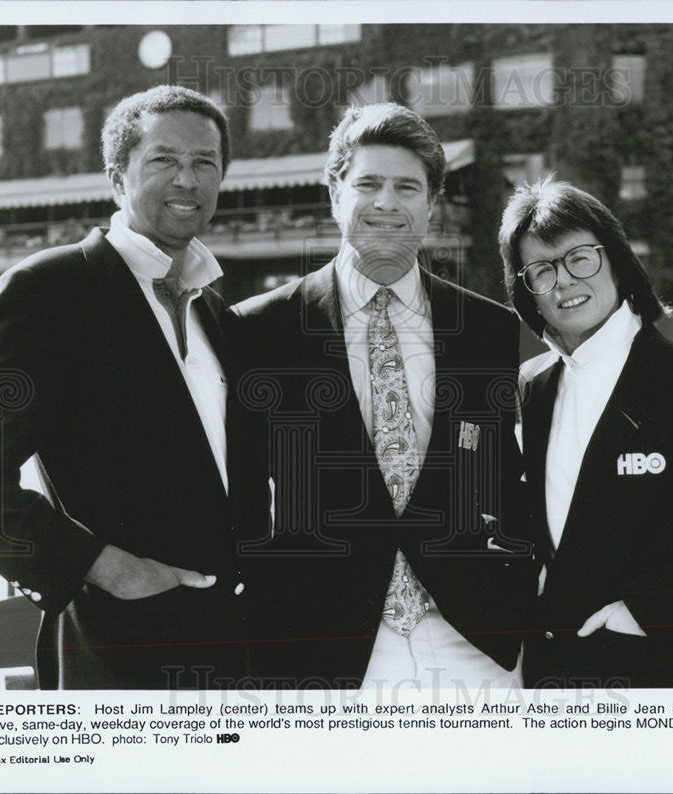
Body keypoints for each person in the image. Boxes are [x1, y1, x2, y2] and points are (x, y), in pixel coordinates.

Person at [0, 85, 266, 689]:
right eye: (164, 160)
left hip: (233, 649)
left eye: (204, 163)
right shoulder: (49, 289)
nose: (187, 180)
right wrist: (109, 570)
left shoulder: (214, 309)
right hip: (118, 649)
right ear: (117, 178)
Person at [229, 103, 537, 689]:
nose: (387, 203)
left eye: (407, 187)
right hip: (323, 649)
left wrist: (517, 587)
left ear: (431, 202)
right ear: (334, 193)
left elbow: (503, 476)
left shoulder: (487, 328)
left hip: (474, 642)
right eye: (368, 183)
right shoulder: (259, 329)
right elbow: (242, 495)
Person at [501, 177, 673, 688]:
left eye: (578, 257)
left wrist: (640, 610)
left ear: (615, 259)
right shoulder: (533, 384)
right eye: (541, 270)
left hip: (663, 667)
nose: (563, 281)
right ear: (527, 291)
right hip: (555, 675)